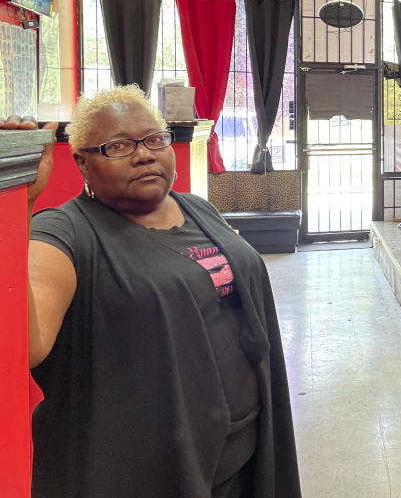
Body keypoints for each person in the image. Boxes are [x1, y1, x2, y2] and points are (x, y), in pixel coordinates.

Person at [21, 86, 301, 498]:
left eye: (155, 139)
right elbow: (27, 342)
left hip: (242, 452)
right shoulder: (65, 232)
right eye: (118, 145)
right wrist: (12, 209)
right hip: (147, 469)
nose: (144, 154)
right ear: (81, 160)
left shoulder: (198, 209)